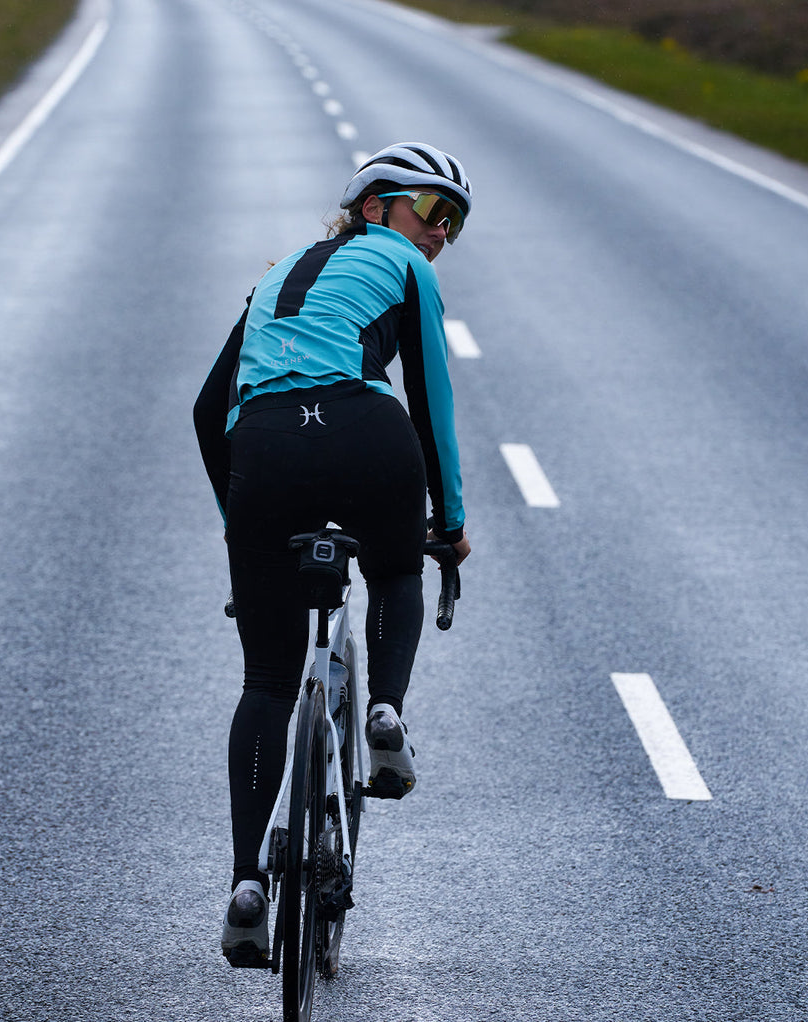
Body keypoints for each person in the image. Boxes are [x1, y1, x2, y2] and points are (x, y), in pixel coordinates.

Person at [193, 142, 473, 965]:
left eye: (456, 224)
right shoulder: (405, 267)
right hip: (366, 429)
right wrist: (450, 523)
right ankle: (384, 711)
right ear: (377, 206)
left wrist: (237, 523)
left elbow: (207, 411)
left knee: (267, 682)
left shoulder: (276, 275)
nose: (442, 233)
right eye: (434, 209)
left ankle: (247, 885)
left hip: (265, 451)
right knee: (395, 567)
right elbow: (432, 401)